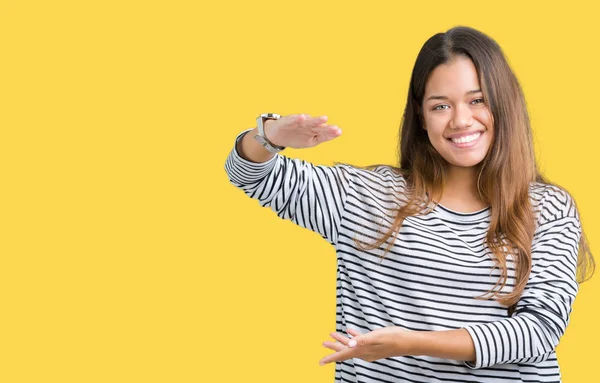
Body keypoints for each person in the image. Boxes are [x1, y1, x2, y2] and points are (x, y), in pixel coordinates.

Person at [224, 26, 595, 383]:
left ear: (504, 103)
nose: (461, 120)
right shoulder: (366, 198)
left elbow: (539, 332)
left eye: (477, 100)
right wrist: (269, 136)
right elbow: (249, 173)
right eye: (440, 106)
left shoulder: (547, 209)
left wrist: (409, 343)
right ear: (420, 115)